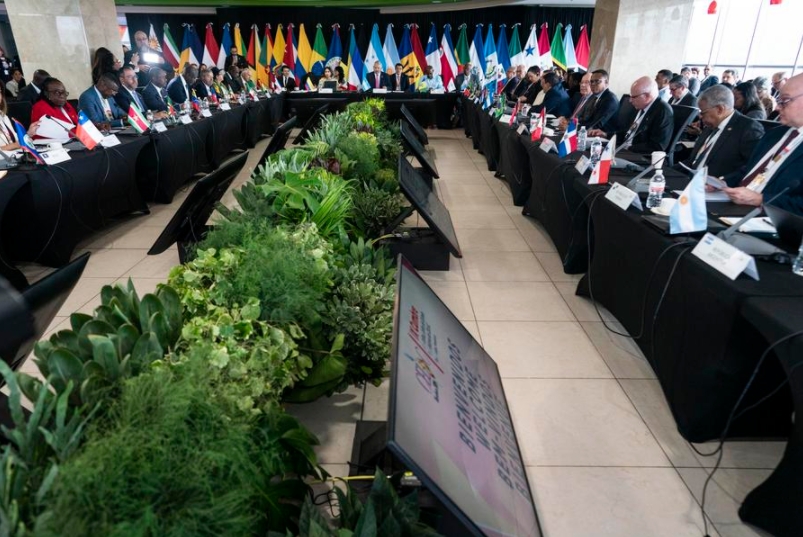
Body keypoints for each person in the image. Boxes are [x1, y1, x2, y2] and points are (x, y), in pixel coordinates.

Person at [718, 72, 803, 213]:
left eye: (785, 101)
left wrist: (761, 199)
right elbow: (749, 170)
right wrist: (722, 182)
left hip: (770, 219)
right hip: (735, 206)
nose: (777, 107)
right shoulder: (774, 134)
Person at [674, 85, 764, 178]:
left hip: (717, 188)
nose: (700, 116)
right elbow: (693, 160)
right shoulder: (711, 124)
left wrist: (722, 182)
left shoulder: (748, 129)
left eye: (703, 112)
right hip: (690, 180)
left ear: (719, 109)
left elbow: (754, 168)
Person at [589, 76, 673, 153]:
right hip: (624, 149)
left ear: (647, 96)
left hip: (638, 155)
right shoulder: (640, 106)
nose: (630, 100)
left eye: (634, 97)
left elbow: (657, 146)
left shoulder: (663, 111)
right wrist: (606, 134)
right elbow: (628, 133)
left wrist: (626, 148)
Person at [0, 81, 39, 149]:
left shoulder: (3, 116)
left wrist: (28, 134)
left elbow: (15, 140)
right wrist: (18, 144)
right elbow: (16, 144)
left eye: (0, 91)